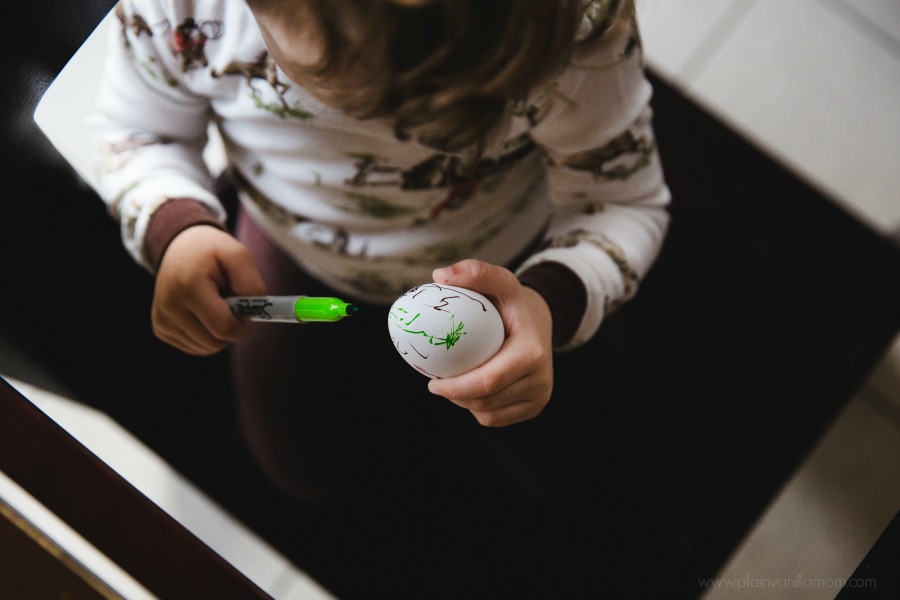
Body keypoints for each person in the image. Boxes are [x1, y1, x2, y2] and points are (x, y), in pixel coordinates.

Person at [87, 0, 671, 503]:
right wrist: (177, 230)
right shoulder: (184, 11)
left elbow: (621, 201)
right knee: (295, 462)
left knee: (575, 459)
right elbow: (137, 133)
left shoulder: (568, 27)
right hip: (295, 250)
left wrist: (552, 301)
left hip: (513, 270)